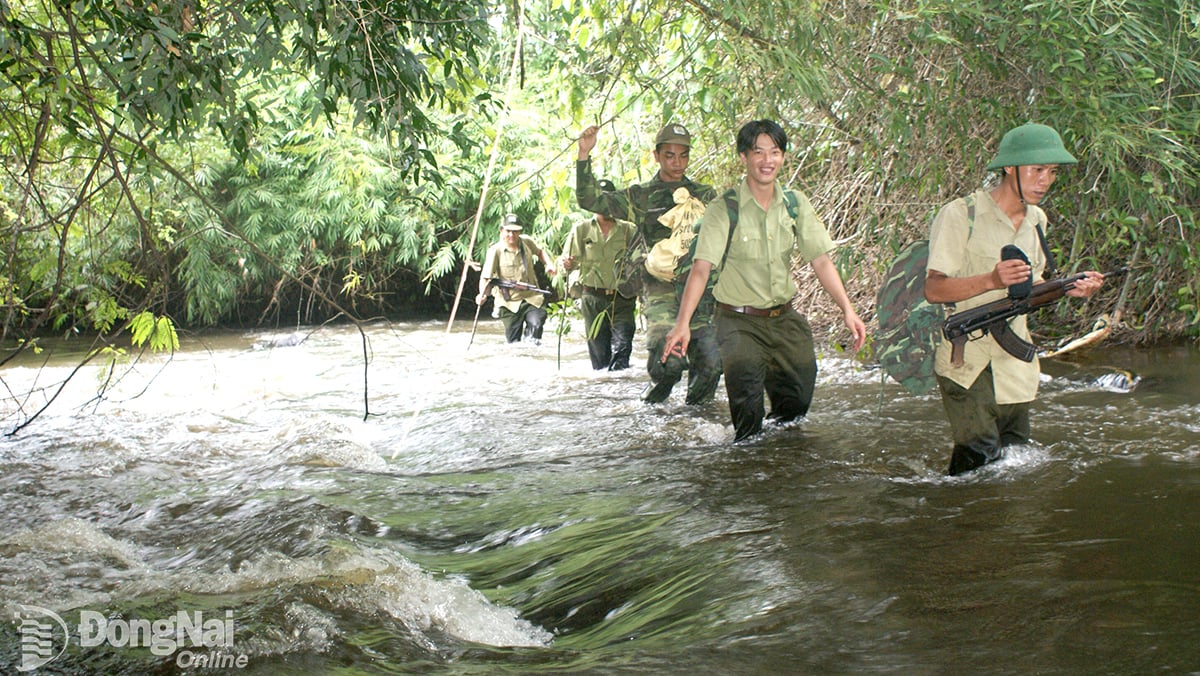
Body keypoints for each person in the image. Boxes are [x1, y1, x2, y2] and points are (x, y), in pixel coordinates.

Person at [662, 119, 867, 442]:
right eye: (758, 152)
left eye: (775, 152)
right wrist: (682, 324)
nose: (767, 160)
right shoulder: (724, 209)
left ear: (783, 157)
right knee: (748, 413)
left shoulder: (795, 204)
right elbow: (701, 269)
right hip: (737, 321)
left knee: (796, 403)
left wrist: (847, 309)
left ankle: (779, 468)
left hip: (784, 318)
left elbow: (821, 260)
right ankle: (749, 470)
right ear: (744, 157)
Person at [924, 122, 1104, 475]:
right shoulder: (962, 214)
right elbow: (934, 289)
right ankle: (959, 523)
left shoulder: (1037, 220)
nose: (1046, 180)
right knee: (979, 460)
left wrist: (1069, 288)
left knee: (1014, 462)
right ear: (1009, 167)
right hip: (968, 362)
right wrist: (991, 279)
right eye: (1037, 170)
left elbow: (1029, 292)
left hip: (1014, 362)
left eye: (1051, 171)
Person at [576, 122, 722, 403]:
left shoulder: (704, 195)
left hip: (701, 291)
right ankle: (653, 404)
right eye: (669, 155)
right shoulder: (640, 196)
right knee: (669, 364)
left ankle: (696, 424)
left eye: (683, 155)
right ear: (656, 156)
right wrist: (584, 155)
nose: (677, 162)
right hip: (661, 293)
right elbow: (589, 199)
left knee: (712, 365)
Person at [559, 183, 638, 370]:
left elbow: (641, 262)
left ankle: (620, 391)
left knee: (623, 345)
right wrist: (567, 264)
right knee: (599, 355)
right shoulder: (581, 229)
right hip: (593, 298)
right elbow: (566, 264)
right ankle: (603, 392)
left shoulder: (629, 230)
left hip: (623, 298)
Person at [476, 214, 557, 344]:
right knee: (513, 343)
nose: (511, 235)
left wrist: (549, 264)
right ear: (501, 230)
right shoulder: (495, 251)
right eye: (508, 231)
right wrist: (482, 295)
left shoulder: (526, 242)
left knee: (536, 327)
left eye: (515, 231)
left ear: (520, 231)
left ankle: (533, 354)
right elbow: (486, 278)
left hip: (532, 298)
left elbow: (540, 252)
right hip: (509, 303)